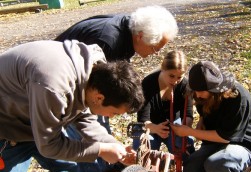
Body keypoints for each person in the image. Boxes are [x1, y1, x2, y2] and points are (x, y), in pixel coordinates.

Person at [0, 40, 144, 172]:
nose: (111, 117)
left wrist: (112, 143)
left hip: (40, 116)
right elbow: (49, 146)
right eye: (115, 113)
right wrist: (100, 150)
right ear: (99, 98)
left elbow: (84, 115)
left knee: (69, 170)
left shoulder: (96, 74)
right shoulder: (54, 86)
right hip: (8, 126)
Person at [55, 5, 178, 134]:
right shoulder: (108, 42)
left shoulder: (131, 28)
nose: (157, 53)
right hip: (63, 89)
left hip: (84, 86)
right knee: (86, 139)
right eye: (155, 48)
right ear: (140, 36)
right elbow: (92, 92)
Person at [170, 61, 251, 172]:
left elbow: (226, 137)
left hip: (241, 143)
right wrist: (201, 121)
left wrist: (190, 132)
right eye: (195, 91)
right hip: (215, 143)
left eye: (200, 91)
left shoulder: (237, 97)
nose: (197, 95)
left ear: (214, 89)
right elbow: (204, 114)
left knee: (218, 164)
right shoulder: (201, 94)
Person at [133, 50, 195, 155]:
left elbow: (188, 114)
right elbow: (143, 119)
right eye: (171, 76)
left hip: (175, 125)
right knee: (141, 149)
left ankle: (183, 169)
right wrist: (156, 129)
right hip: (150, 126)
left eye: (179, 77)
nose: (175, 81)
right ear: (163, 68)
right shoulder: (148, 83)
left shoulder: (184, 85)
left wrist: (184, 128)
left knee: (186, 147)